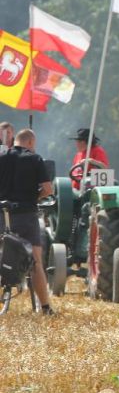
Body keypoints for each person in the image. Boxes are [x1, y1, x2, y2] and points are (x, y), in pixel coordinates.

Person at [0, 129, 55, 315]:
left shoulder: (1, 156)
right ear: (30, 142)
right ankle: (46, 308)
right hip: (26, 216)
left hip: (2, 214)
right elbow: (48, 189)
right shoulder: (34, 159)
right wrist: (35, 197)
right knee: (36, 263)